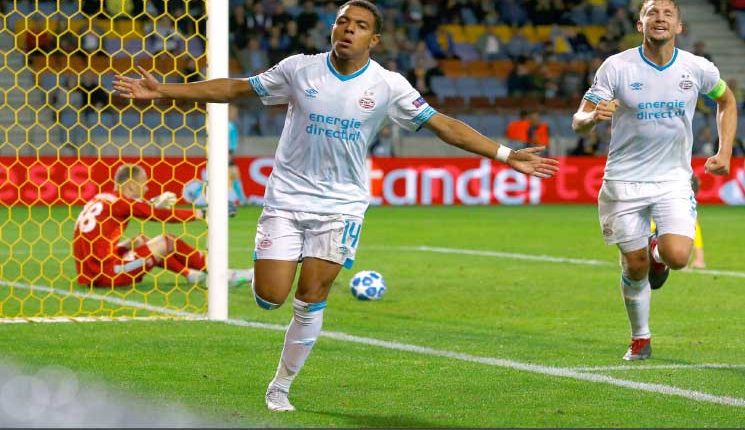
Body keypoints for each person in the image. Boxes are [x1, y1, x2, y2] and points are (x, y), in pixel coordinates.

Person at [114, 0, 559, 411]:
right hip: (286, 201)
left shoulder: (388, 85)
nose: (348, 29)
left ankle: (281, 385)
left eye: (360, 25)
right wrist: (165, 90)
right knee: (270, 297)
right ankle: (276, 273)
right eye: (343, 21)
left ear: (374, 39)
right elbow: (236, 88)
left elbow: (442, 125)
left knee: (311, 296)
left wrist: (505, 154)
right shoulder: (298, 69)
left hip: (341, 206)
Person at [572, 0, 737, 361]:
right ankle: (640, 338)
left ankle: (657, 253)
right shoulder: (616, 67)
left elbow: (727, 100)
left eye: (668, 14)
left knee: (678, 256)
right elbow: (578, 119)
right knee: (635, 266)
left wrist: (724, 151)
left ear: (679, 27)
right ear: (640, 24)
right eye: (652, 13)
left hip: (672, 180)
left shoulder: (697, 68)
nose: (660, 18)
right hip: (624, 181)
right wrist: (593, 117)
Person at [73, 164, 207, 288]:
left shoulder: (102, 197)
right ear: (131, 186)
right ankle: (211, 267)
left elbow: (135, 206)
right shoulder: (123, 203)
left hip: (89, 272)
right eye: (144, 184)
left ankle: (188, 273)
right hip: (107, 274)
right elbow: (162, 215)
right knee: (167, 241)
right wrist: (200, 213)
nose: (147, 188)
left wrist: (151, 203)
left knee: (140, 241)